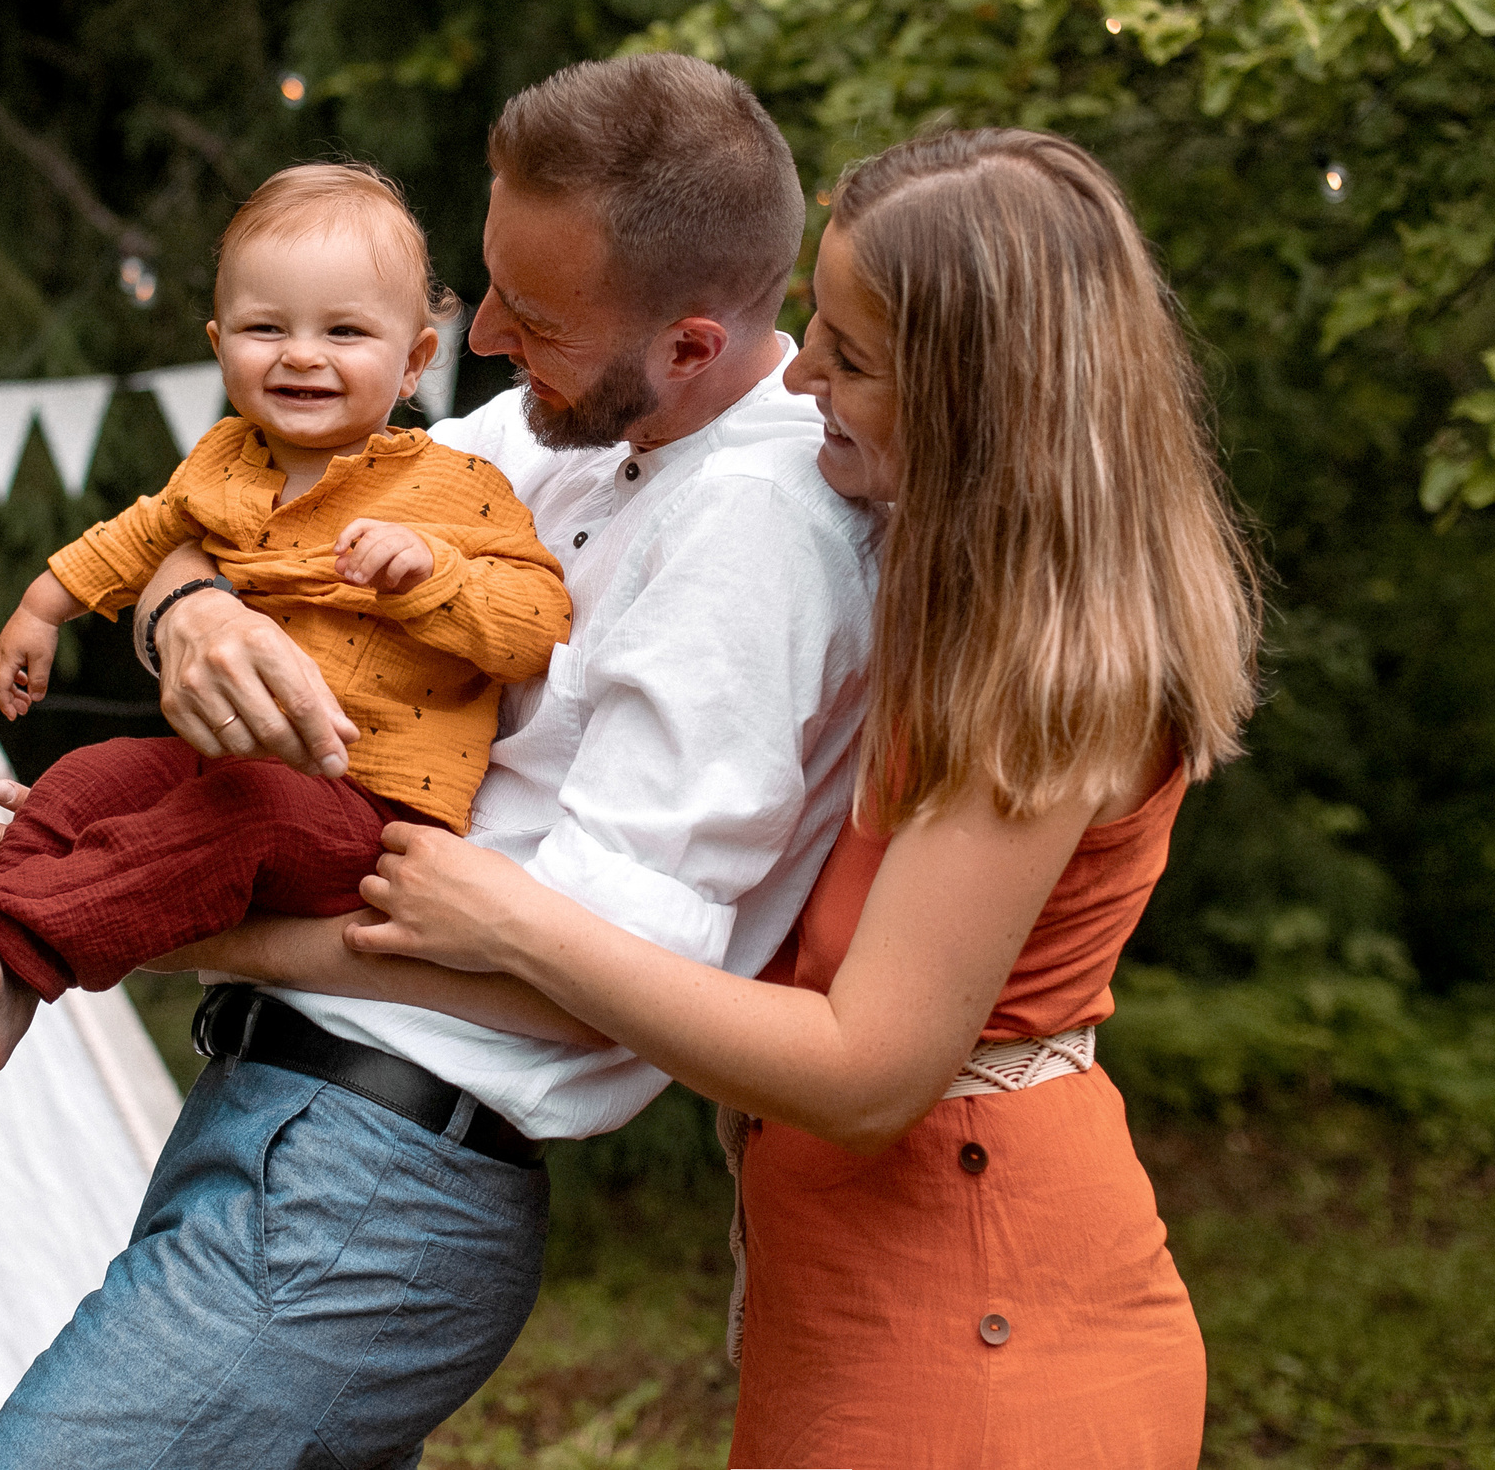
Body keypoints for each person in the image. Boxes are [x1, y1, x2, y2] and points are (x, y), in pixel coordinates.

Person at [0, 53, 880, 1469]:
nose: (479, 335)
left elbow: (602, 988)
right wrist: (190, 615)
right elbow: (247, 494)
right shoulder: (569, 429)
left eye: (531, 315)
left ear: (688, 345)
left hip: (372, 1178)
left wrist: (161, 914)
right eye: (487, 284)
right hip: (283, 1124)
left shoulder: (755, 538)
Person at [341, 127, 1264, 1466]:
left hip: (982, 1322)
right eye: (815, 325)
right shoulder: (932, 603)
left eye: (852, 356)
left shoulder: (1049, 680)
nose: (800, 373)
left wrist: (515, 920)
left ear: (979, 404)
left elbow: (865, 1071)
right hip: (849, 1288)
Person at [0, 163, 569, 1072]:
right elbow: (141, 536)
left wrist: (434, 574)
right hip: (228, 762)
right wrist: (44, 604)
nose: (301, 355)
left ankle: (0, 925)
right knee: (87, 780)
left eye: (344, 331)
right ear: (219, 342)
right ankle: (5, 980)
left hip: (370, 806)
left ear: (414, 361)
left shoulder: (458, 488)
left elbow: (538, 620)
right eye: (266, 328)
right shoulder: (224, 459)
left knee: (242, 816)